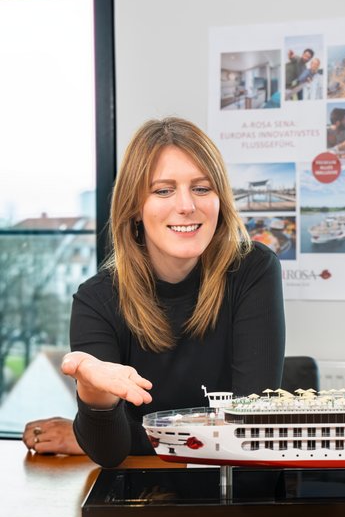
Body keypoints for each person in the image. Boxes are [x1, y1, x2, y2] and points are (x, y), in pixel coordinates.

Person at [22, 117, 285, 467]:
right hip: (141, 502)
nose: (187, 206)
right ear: (134, 207)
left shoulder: (253, 269)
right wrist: (93, 395)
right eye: (163, 190)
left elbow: (249, 426)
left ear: (220, 200)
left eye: (202, 188)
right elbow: (108, 451)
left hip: (237, 494)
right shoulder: (96, 301)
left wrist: (93, 432)